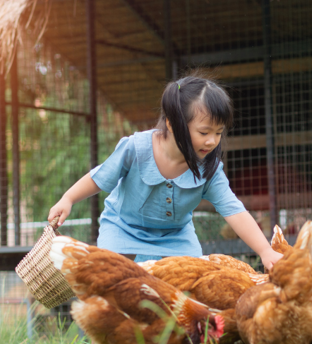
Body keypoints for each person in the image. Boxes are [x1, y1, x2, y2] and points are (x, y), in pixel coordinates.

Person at [48, 75, 283, 270]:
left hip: (176, 237)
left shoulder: (208, 169)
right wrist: (67, 199)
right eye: (204, 132)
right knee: (113, 279)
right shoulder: (136, 148)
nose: (212, 141)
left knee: (191, 285)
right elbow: (99, 177)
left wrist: (265, 251)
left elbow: (234, 210)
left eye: (219, 132)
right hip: (123, 229)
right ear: (172, 123)